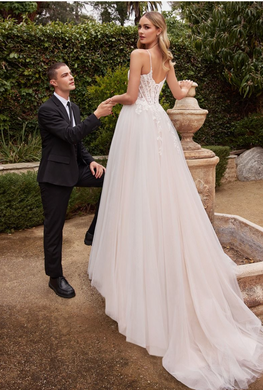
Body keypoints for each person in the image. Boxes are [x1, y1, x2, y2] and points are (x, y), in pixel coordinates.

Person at [88, 11, 263, 390]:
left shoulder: (138, 56)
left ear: (159, 31)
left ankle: (134, 275)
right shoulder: (166, 60)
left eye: (146, 27)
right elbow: (181, 94)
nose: (141, 32)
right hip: (158, 128)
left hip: (137, 123)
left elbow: (133, 97)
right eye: (139, 27)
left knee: (133, 194)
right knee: (160, 191)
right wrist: (184, 85)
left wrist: (114, 98)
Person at [37, 62, 113, 299]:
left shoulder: (75, 108)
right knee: (54, 229)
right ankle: (55, 277)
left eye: (70, 73)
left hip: (76, 169)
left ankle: (92, 232)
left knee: (112, 179)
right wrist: (97, 115)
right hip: (54, 177)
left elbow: (77, 143)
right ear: (53, 82)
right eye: (65, 74)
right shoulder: (46, 109)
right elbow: (71, 134)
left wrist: (90, 160)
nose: (71, 77)